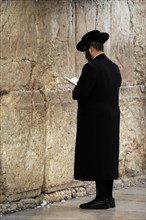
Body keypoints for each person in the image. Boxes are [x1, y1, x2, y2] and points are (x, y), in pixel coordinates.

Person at [72, 30, 122, 209]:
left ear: (91, 49)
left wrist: (76, 86)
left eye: (86, 50)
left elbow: (80, 93)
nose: (86, 54)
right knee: (107, 156)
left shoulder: (91, 67)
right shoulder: (113, 67)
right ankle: (108, 197)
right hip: (111, 119)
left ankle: (101, 198)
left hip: (95, 121)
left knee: (98, 157)